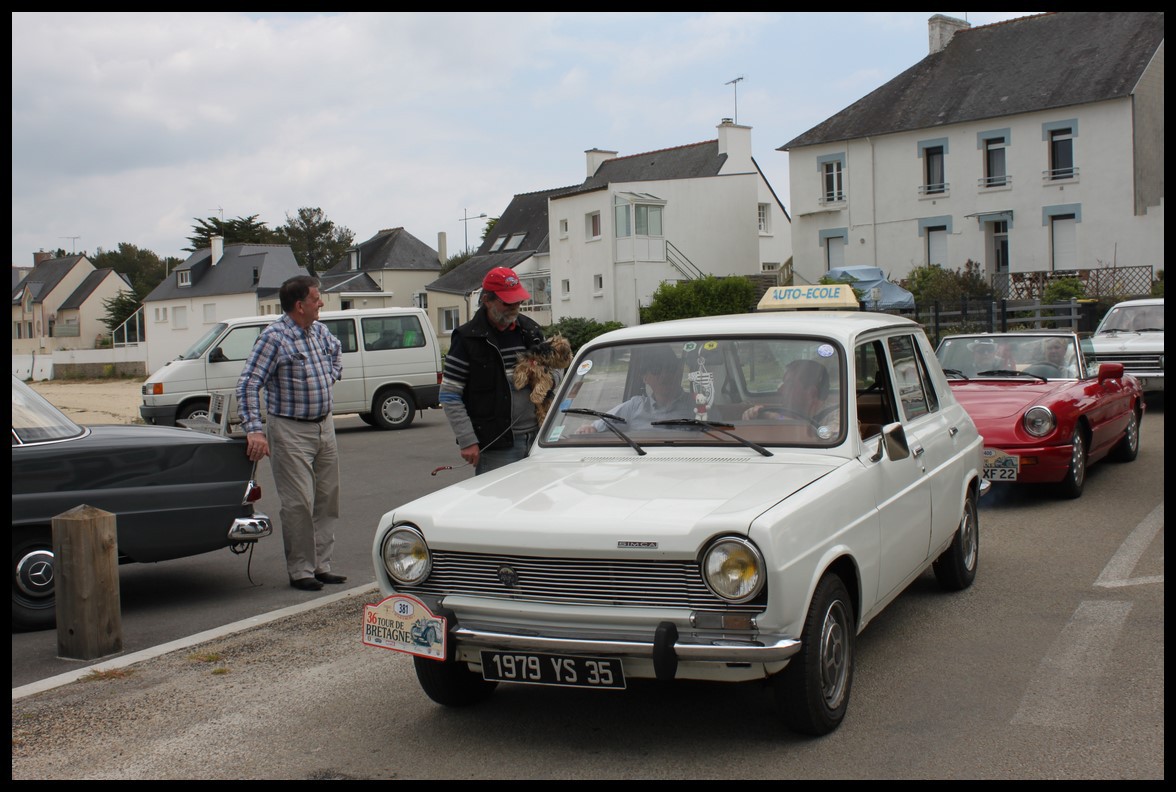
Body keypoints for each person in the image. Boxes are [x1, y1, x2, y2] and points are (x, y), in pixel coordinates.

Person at [237, 275, 346, 592]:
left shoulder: (319, 331)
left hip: (324, 426)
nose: (321, 303)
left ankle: (321, 566)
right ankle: (301, 570)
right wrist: (255, 431)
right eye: (316, 298)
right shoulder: (274, 338)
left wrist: (329, 375)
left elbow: (336, 352)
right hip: (289, 429)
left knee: (327, 499)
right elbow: (248, 384)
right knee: (299, 501)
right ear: (300, 305)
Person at [440, 266, 552, 475]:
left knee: (539, 505)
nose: (515, 307)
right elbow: (449, 394)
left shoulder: (531, 330)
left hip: (540, 440)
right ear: (487, 300)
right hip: (497, 447)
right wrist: (467, 440)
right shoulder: (467, 339)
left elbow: (554, 377)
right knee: (496, 506)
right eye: (507, 302)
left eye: (518, 301)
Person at [575, 346, 692, 433]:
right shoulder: (635, 406)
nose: (665, 374)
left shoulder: (696, 404)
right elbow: (598, 426)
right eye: (656, 370)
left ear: (679, 372)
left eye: (670, 368)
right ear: (645, 377)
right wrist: (590, 429)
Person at [742, 358, 830, 422]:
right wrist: (754, 413)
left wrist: (774, 417)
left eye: (789, 384)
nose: (780, 390)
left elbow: (814, 432)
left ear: (812, 393)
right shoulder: (793, 410)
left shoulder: (837, 419)